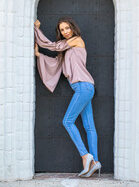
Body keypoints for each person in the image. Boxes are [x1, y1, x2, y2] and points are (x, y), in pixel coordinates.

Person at [34, 16, 102, 177]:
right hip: (85, 87)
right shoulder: (66, 49)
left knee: (67, 121)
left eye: (67, 28)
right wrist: (39, 55)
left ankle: (85, 156)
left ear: (73, 28)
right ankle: (95, 162)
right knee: (89, 126)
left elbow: (52, 46)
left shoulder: (76, 40)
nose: (65, 32)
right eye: (62, 30)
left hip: (83, 86)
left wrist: (36, 30)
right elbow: (56, 62)